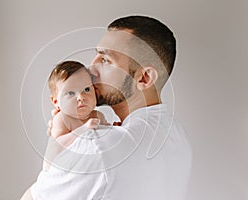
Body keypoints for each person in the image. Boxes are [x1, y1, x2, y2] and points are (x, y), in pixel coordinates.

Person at [21, 15, 192, 200]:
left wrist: (61, 148)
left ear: (144, 78)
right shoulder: (178, 137)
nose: (90, 69)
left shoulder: (97, 146)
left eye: (106, 60)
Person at [42, 60, 109, 170]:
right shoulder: (62, 119)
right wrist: (83, 129)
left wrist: (114, 127)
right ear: (56, 102)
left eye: (86, 89)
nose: (81, 97)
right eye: (71, 93)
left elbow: (106, 136)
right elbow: (58, 145)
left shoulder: (98, 115)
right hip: (57, 170)